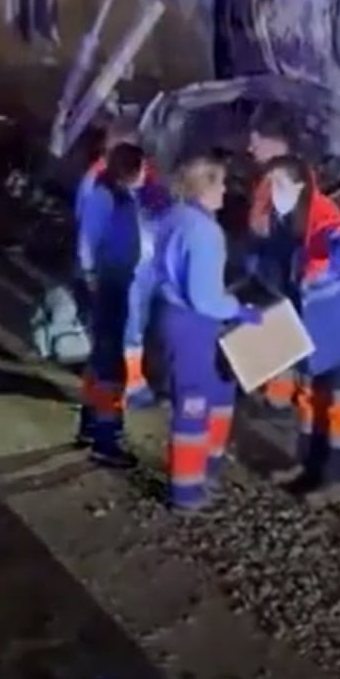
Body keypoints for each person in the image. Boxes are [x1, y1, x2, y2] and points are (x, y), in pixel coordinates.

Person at [260, 155, 340, 510]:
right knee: (314, 400)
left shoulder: (323, 216)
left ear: (301, 186)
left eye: (280, 185)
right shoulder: (288, 218)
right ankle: (311, 467)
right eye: (272, 185)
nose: (274, 192)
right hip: (316, 326)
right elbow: (276, 258)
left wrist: (322, 265)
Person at [153, 155, 263, 511]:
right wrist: (239, 310)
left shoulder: (175, 216)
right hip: (195, 325)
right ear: (203, 187)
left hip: (175, 317)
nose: (225, 190)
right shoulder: (206, 232)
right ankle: (187, 490)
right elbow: (204, 297)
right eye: (219, 184)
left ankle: (204, 473)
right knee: (196, 403)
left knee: (217, 394)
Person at [75, 121, 169, 407]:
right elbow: (89, 234)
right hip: (117, 274)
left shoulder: (135, 183)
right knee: (122, 332)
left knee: (132, 327)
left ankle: (119, 389)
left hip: (137, 271)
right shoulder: (98, 187)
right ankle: (116, 394)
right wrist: (90, 270)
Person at [74, 142, 151, 468]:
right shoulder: (105, 197)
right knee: (109, 365)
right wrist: (92, 275)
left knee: (101, 358)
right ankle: (106, 439)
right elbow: (88, 240)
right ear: (131, 169)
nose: (147, 173)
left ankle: (91, 425)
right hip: (108, 285)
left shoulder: (121, 196)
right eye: (143, 167)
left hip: (115, 283)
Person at [246, 105, 303, 410]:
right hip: (276, 262)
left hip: (276, 263)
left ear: (275, 142)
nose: (250, 147)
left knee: (277, 317)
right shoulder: (289, 172)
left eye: (256, 140)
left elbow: (267, 227)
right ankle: (278, 389)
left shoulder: (281, 179)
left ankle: (278, 396)